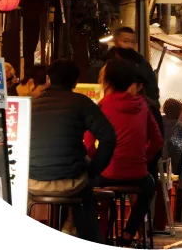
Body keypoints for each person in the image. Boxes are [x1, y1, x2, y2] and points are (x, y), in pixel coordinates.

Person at [28, 58, 116, 249]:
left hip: (32, 183)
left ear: (48, 79)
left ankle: (67, 226)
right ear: (75, 82)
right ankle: (90, 241)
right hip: (71, 183)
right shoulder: (82, 103)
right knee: (85, 191)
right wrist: (94, 170)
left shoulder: (31, 104)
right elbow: (109, 137)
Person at [85, 59, 163, 248]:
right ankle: (129, 232)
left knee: (87, 188)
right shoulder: (143, 106)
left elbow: (87, 143)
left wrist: (98, 162)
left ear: (108, 81)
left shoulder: (103, 105)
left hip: (108, 174)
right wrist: (142, 160)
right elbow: (157, 141)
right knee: (150, 185)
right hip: (138, 175)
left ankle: (100, 236)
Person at [105, 26, 160, 106]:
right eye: (125, 41)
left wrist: (149, 105)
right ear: (116, 42)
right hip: (111, 105)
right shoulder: (106, 62)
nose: (129, 45)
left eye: (132, 42)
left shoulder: (141, 62)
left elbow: (152, 88)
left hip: (138, 106)